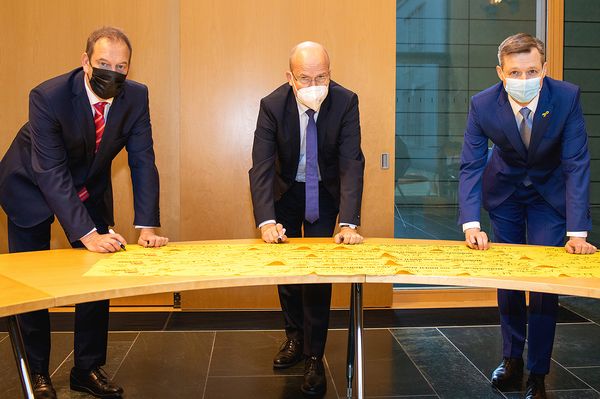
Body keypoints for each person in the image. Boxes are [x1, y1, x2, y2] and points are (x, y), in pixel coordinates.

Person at [0, 26, 168, 399]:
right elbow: (50, 171)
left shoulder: (136, 97)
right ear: (86, 62)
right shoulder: (48, 95)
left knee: (96, 277)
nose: (113, 72)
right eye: (104, 63)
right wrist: (86, 234)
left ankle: (87, 369)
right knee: (33, 282)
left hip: (87, 185)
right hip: (31, 185)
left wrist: (146, 226)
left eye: (121, 66)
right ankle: (39, 373)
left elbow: (142, 160)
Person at [458, 33, 596, 399]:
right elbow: (471, 164)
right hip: (505, 193)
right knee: (510, 278)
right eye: (515, 72)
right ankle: (511, 359)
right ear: (501, 72)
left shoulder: (566, 97)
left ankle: (537, 370)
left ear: (544, 69)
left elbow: (577, 163)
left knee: (543, 282)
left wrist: (577, 230)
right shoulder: (483, 104)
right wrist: (471, 222)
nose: (524, 79)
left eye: (531, 71)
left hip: (548, 196)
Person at [249, 41, 365, 397]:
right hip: (287, 191)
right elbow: (262, 166)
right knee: (286, 267)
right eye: (305, 78)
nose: (315, 85)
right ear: (290, 77)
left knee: (316, 272)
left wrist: (348, 222)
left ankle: (314, 355)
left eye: (322, 76)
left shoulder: (345, 101)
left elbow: (350, 162)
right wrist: (266, 220)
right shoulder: (272, 106)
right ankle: (294, 338)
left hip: (323, 190)